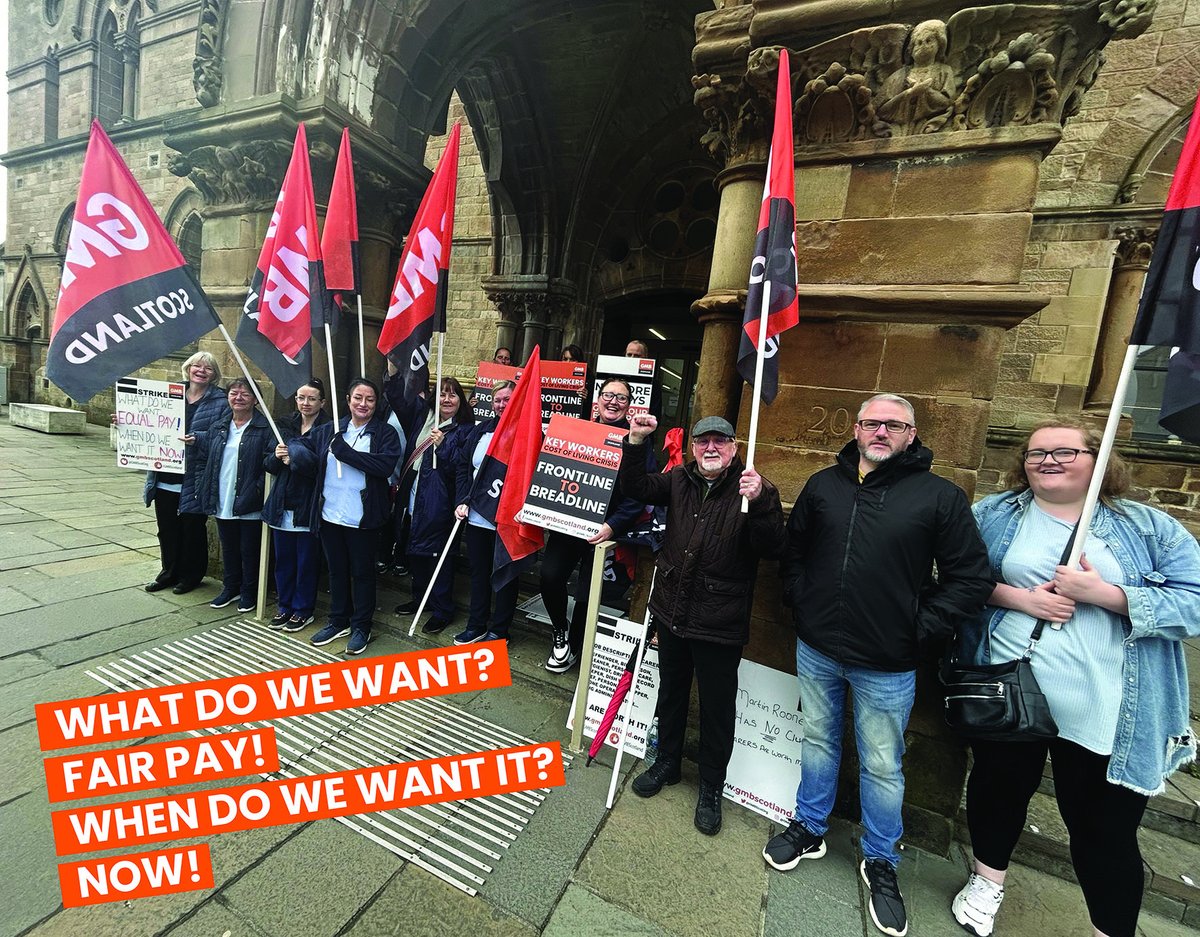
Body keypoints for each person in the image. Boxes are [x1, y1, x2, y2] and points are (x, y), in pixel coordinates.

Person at [950, 421, 1200, 937]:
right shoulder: (993, 514)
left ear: (1098, 458)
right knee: (998, 790)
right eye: (1037, 452)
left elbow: (1194, 601)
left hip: (1106, 703)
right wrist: (1022, 598)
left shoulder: (1148, 527)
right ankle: (987, 878)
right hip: (1010, 687)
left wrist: (1108, 594)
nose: (1048, 460)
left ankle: (1110, 927)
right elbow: (957, 578)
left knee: (1102, 827)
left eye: (1065, 451)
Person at [765, 393, 992, 937]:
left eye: (895, 424)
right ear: (857, 429)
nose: (882, 432)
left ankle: (881, 858)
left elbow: (971, 578)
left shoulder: (939, 497)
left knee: (883, 764)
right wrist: (803, 600)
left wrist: (917, 626)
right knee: (818, 740)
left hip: (888, 663)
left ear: (911, 434)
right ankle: (811, 826)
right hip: (819, 648)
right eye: (872, 423)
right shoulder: (825, 485)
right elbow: (793, 554)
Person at [618, 413, 785, 836]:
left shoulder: (753, 489)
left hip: (719, 622)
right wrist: (637, 441)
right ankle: (667, 762)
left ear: (733, 448)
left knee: (716, 708)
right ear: (693, 447)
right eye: (703, 441)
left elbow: (772, 548)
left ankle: (711, 786)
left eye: (720, 441)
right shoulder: (678, 480)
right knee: (671, 693)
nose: (711, 448)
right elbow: (636, 487)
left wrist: (763, 500)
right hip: (673, 612)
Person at [538, 378, 654, 672]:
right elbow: (551, 472)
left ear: (629, 406)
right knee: (550, 577)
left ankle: (573, 648)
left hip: (605, 532)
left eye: (622, 398)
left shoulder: (638, 441)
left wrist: (612, 527)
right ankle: (559, 631)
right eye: (608, 395)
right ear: (597, 400)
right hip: (570, 524)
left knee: (588, 593)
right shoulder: (577, 431)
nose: (613, 401)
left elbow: (639, 494)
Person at [290, 379, 402, 655]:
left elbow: (384, 465)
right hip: (330, 515)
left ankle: (361, 625)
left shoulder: (384, 433)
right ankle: (338, 619)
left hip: (363, 518)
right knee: (337, 571)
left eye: (370, 399)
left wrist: (347, 454)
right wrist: (289, 453)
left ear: (376, 404)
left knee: (362, 574)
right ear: (348, 400)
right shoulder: (330, 430)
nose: (363, 404)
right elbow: (303, 448)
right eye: (358, 398)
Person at [386, 374, 475, 634]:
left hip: (441, 501)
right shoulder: (421, 419)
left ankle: (442, 608)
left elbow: (460, 468)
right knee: (415, 549)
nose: (447, 399)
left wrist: (444, 445)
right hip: (414, 493)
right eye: (442, 394)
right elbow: (397, 399)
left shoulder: (465, 430)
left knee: (438, 556)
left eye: (453, 394)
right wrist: (392, 372)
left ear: (461, 400)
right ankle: (420, 597)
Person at [141, 351, 230, 595]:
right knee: (167, 527)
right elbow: (147, 420)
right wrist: (128, 423)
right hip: (166, 472)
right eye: (196, 366)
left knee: (193, 528)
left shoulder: (221, 401)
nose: (201, 371)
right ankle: (168, 572)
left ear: (214, 375)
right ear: (188, 368)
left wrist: (198, 439)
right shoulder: (169, 393)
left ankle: (191, 576)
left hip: (196, 474)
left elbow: (222, 434)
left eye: (208, 368)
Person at [190, 379, 274, 613]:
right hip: (223, 496)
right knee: (229, 547)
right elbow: (207, 448)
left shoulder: (264, 428)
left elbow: (270, 462)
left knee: (249, 550)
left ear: (256, 400)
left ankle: (249, 591)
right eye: (234, 393)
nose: (238, 397)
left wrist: (255, 490)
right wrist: (194, 438)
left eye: (245, 394)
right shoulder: (220, 425)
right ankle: (230, 587)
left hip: (248, 500)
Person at [263, 379, 331, 630]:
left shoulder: (328, 428)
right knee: (284, 560)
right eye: (302, 397)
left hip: (308, 504)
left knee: (306, 562)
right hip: (282, 503)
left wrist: (297, 458)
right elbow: (267, 464)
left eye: (312, 398)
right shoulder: (284, 424)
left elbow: (321, 467)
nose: (306, 403)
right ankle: (285, 605)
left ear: (322, 402)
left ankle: (303, 609)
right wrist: (277, 457)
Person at [453, 381, 518, 645]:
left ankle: (499, 630)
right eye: (498, 400)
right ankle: (476, 624)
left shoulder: (527, 434)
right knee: (479, 573)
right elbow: (462, 468)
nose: (502, 405)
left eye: (507, 399)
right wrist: (461, 500)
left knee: (505, 576)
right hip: (479, 515)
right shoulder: (480, 432)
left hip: (508, 520)